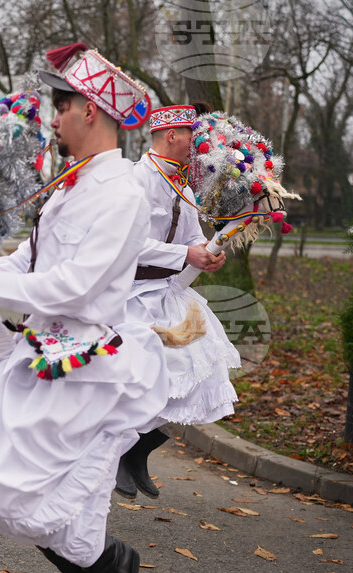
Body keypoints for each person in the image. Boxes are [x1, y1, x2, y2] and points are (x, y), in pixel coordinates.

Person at [0, 43, 169, 573]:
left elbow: (78, 285)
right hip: (42, 351)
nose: (55, 116)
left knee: (20, 487)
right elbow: (32, 258)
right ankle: (85, 564)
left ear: (90, 110)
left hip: (84, 361)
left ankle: (106, 560)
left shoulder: (121, 192)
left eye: (62, 104)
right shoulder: (72, 184)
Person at [115, 103, 238, 499]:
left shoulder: (182, 185)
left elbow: (190, 238)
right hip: (128, 297)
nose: (198, 146)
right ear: (172, 136)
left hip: (168, 294)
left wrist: (207, 251)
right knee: (140, 381)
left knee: (194, 380)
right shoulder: (133, 181)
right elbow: (128, 243)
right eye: (192, 137)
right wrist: (187, 256)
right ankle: (115, 453)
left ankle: (137, 450)